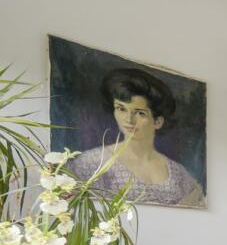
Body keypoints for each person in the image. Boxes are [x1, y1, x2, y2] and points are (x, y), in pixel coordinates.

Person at [69, 67, 205, 207]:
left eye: (140, 113)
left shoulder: (179, 174)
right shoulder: (91, 163)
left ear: (158, 122)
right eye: (121, 109)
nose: (129, 120)